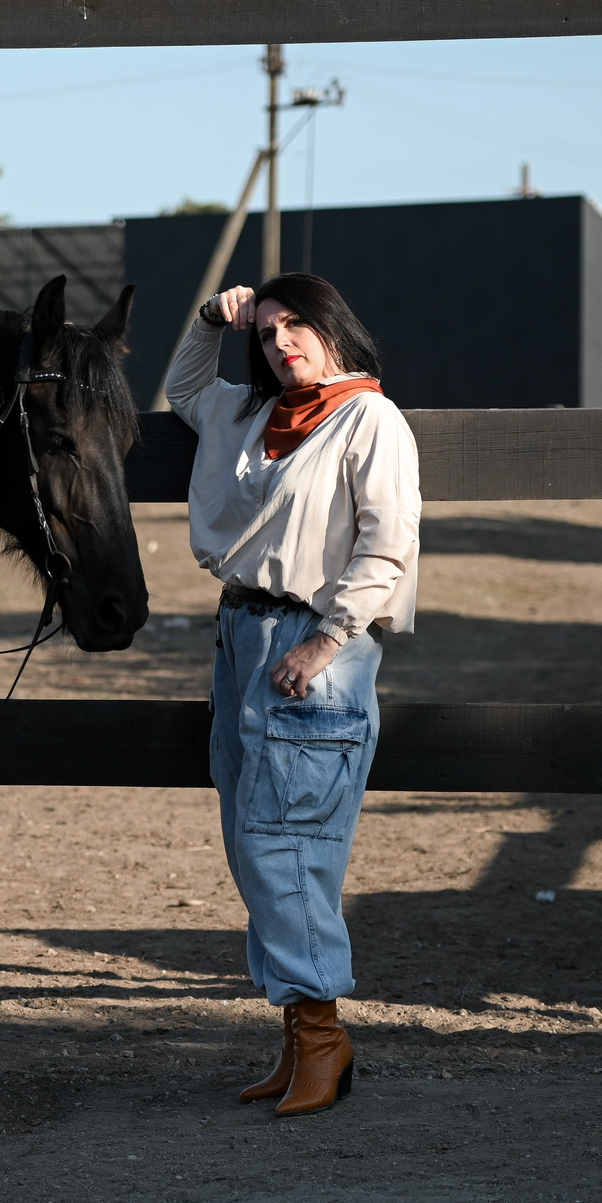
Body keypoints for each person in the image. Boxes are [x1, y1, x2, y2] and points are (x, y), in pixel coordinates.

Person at [165, 274, 421, 1117]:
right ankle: (300, 1034)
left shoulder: (369, 418)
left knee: (289, 840)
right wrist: (213, 317)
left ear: (332, 326)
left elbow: (387, 546)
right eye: (268, 333)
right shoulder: (249, 413)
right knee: (252, 837)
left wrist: (325, 640)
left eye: (296, 326)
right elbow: (184, 388)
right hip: (242, 636)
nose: (280, 344)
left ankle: (323, 1035)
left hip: (313, 646)